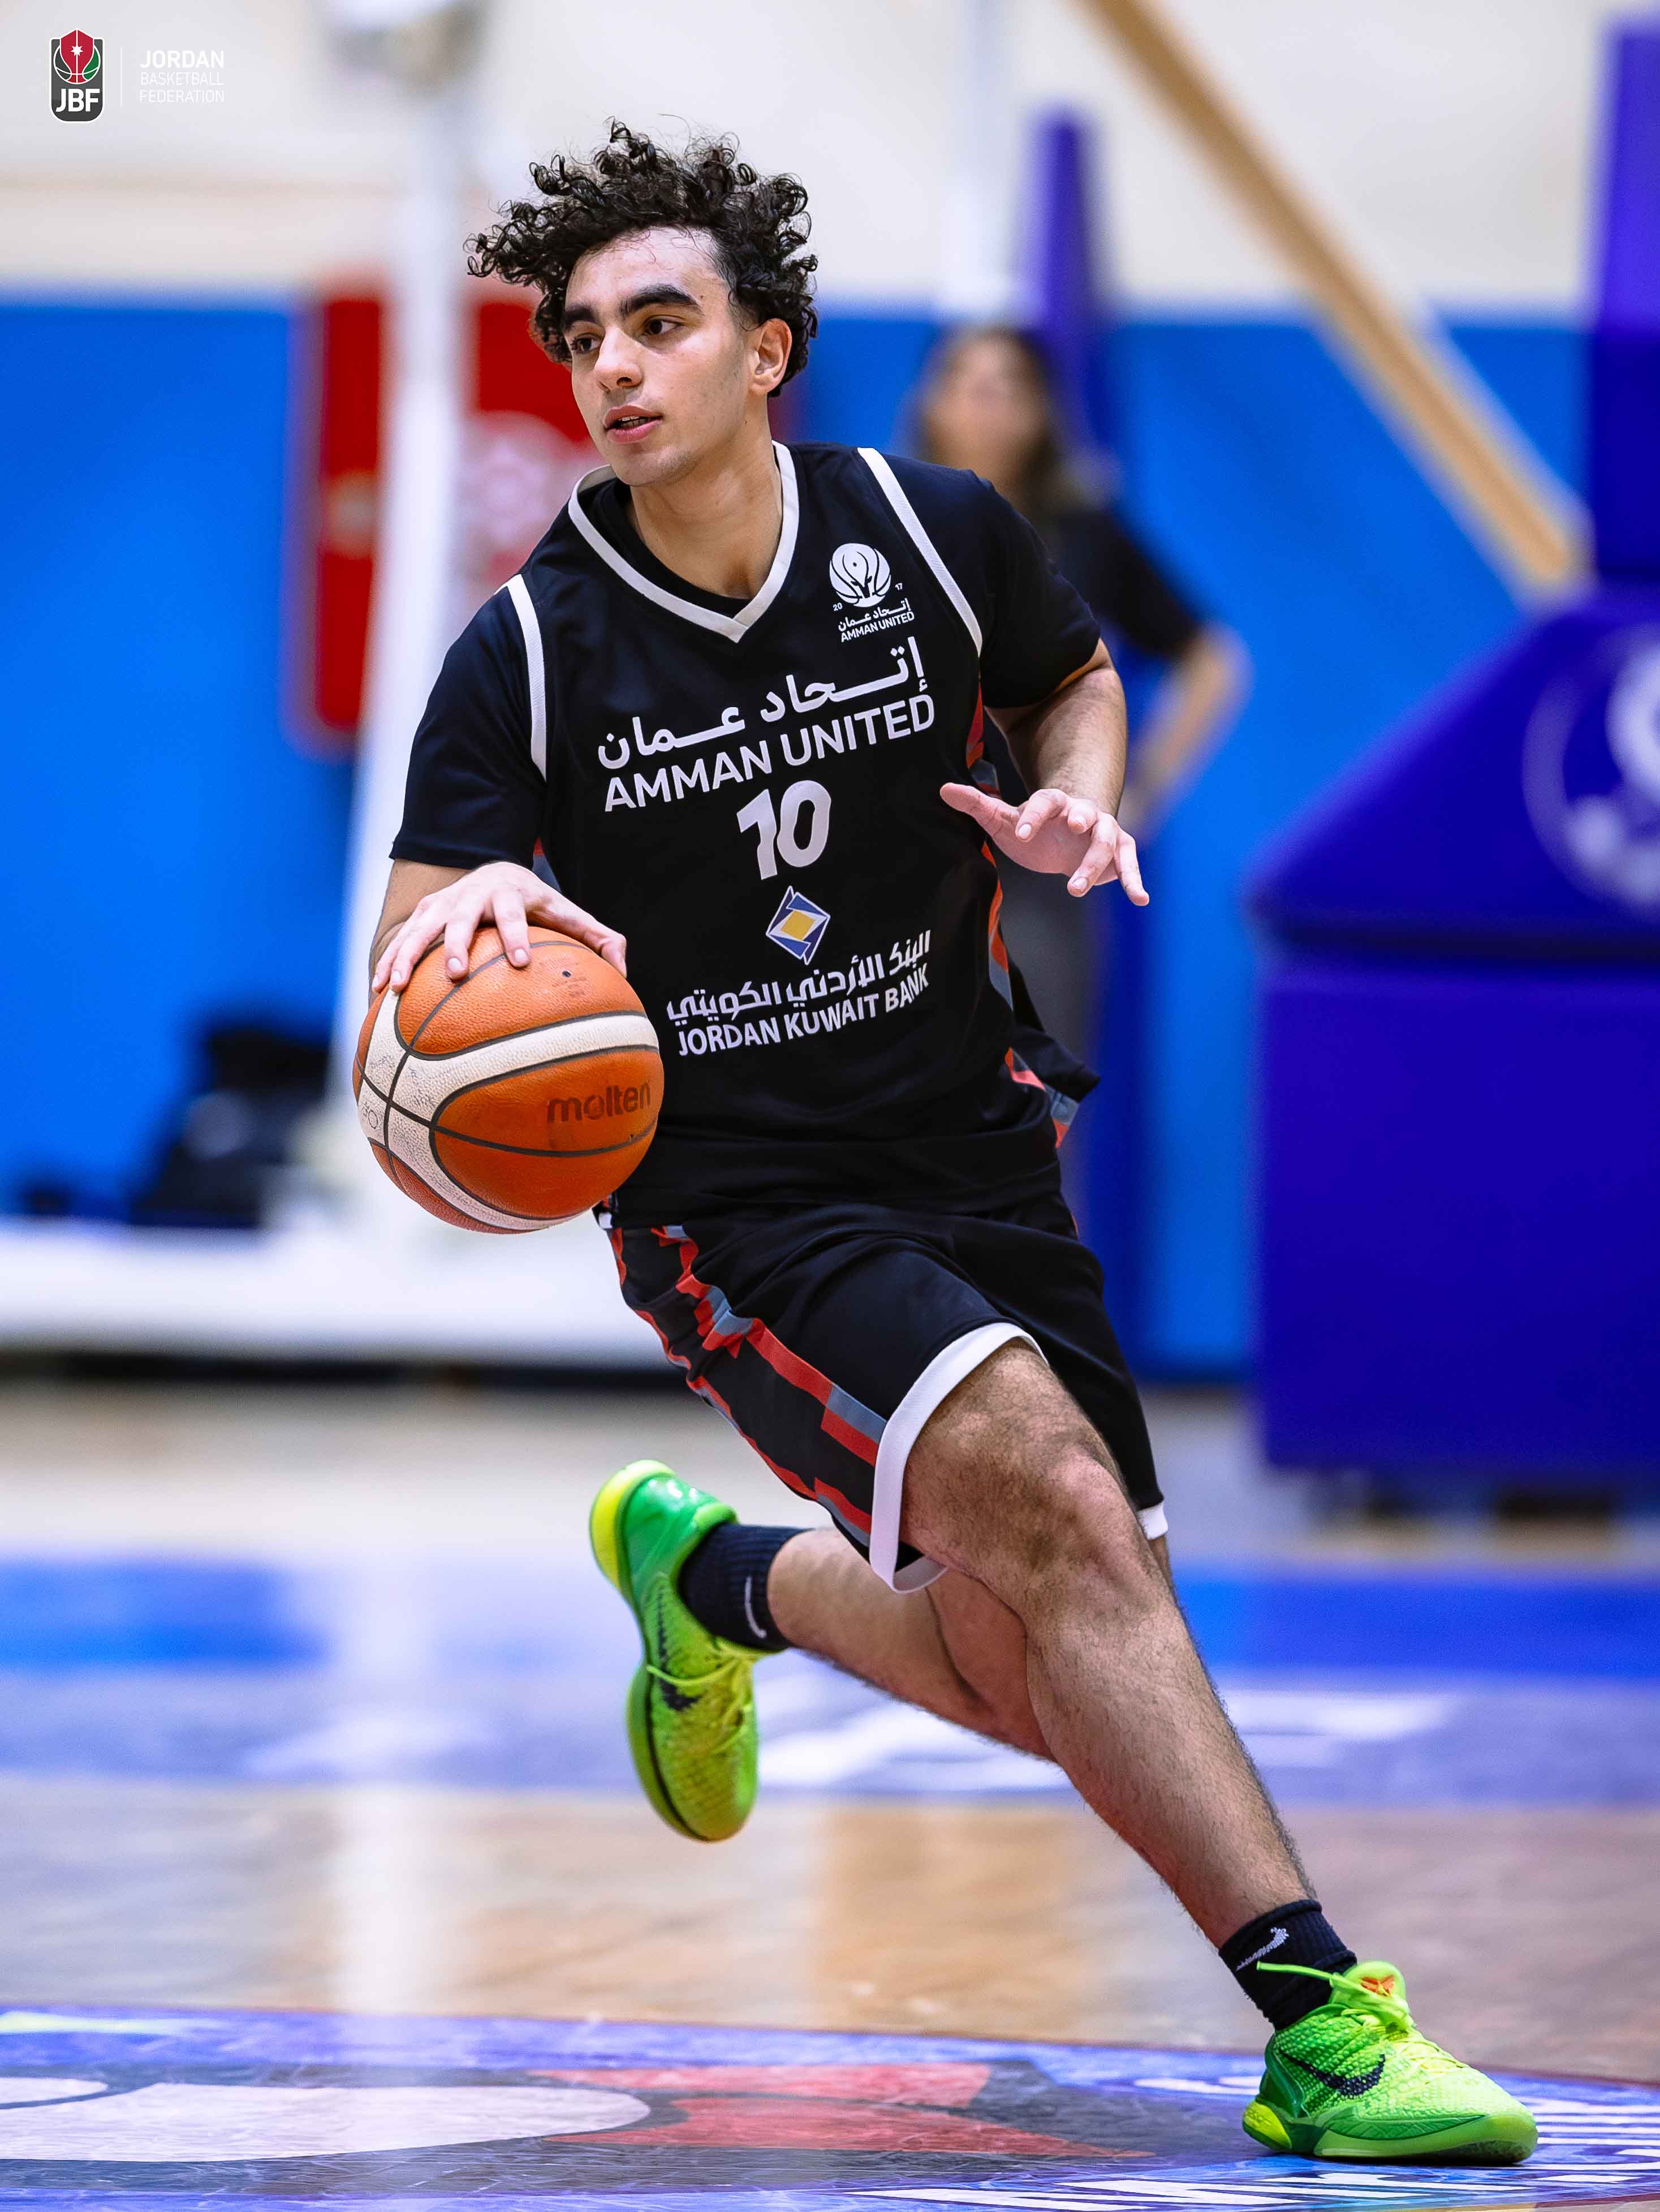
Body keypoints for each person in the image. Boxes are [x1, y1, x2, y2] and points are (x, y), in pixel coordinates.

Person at [370, 124, 1534, 2168]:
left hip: (977, 1144)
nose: (615, 366)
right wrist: (468, 920)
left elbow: (1075, 678)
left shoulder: (927, 532)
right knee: (1063, 1513)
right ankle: (1327, 2025)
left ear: (768, 347)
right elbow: (414, 958)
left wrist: (1084, 795)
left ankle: (721, 1579)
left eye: (660, 321)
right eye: (585, 338)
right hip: (743, 1202)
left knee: (1033, 1662)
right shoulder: (530, 653)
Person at [913, 324, 1248, 1061]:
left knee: (1040, 1091)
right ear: (930, 403)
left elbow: (1213, 661)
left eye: (1006, 386)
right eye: (965, 383)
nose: (984, 403)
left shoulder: (1083, 530)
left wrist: (1143, 786)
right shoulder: (884, 523)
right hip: (915, 859)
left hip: (1037, 865)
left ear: (1040, 412)